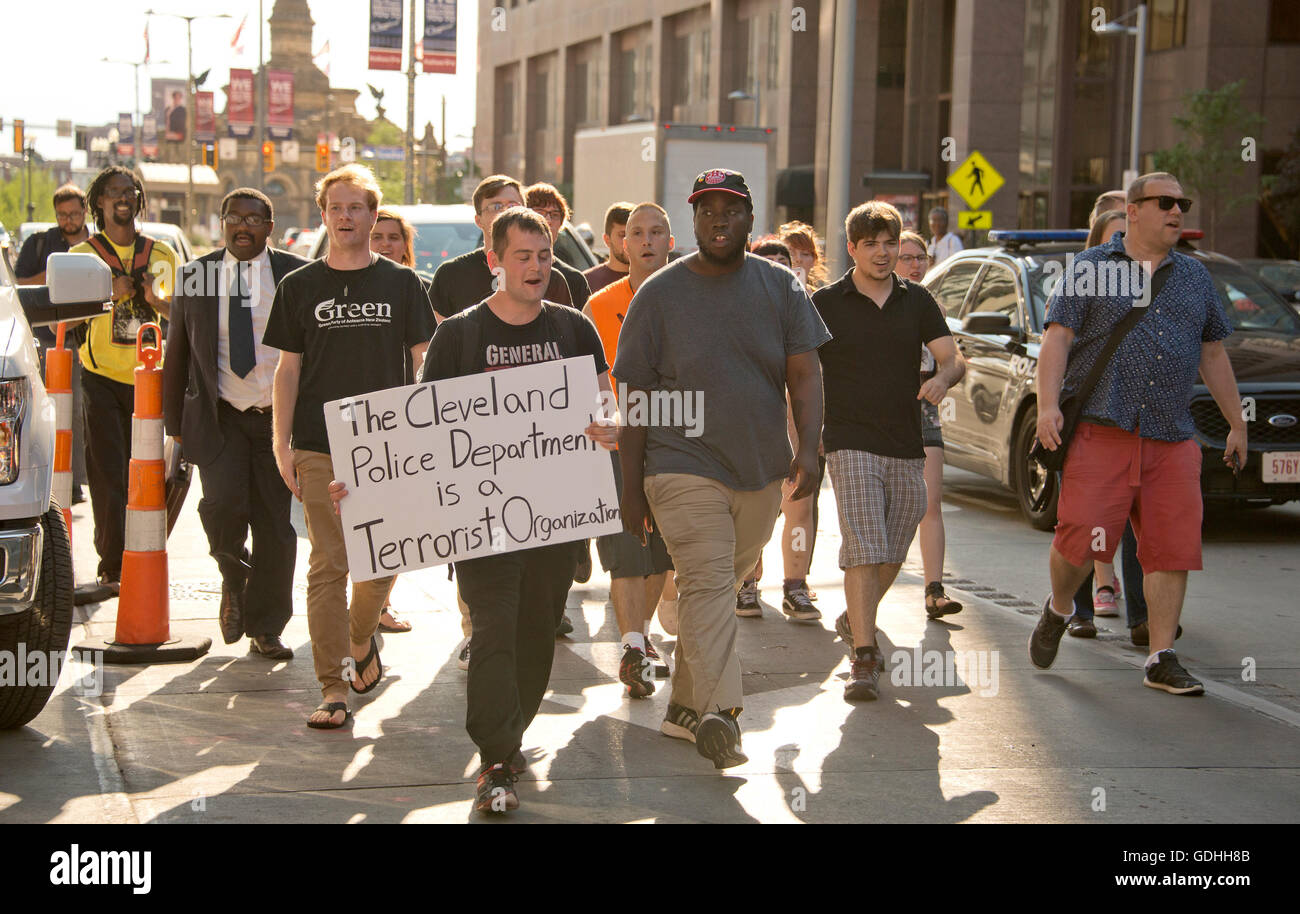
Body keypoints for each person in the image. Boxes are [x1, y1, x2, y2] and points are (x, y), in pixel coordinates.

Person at [355, 206, 616, 813]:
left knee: (535, 636)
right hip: (483, 526)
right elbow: (422, 432)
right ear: (494, 261)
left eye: (545, 255)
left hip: (558, 519)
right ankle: (495, 758)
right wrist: (368, 483)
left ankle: (511, 732)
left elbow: (606, 400)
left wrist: (610, 425)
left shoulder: (576, 328)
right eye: (522, 256)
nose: (536, 267)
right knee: (495, 630)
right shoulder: (461, 334)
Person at [613, 168, 830, 768]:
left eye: (728, 210)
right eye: (705, 211)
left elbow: (807, 373)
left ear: (748, 218)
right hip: (679, 465)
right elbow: (632, 394)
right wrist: (630, 487)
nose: (717, 220)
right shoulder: (659, 293)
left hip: (760, 470)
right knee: (708, 584)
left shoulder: (781, 288)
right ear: (694, 220)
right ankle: (723, 717)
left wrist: (808, 449)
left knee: (716, 591)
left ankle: (685, 710)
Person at [1031, 172, 1245, 695]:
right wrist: (1046, 406)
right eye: (1165, 203)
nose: (1177, 212)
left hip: (1172, 438)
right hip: (1102, 431)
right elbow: (1058, 339)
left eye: (1182, 204)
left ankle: (1160, 655)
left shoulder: (1194, 278)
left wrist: (1237, 421)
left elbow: (1212, 353)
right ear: (1133, 211)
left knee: (1172, 549)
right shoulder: (1091, 268)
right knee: (1079, 542)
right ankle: (1060, 606)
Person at [262, 164, 433, 728]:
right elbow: (288, 371)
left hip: (389, 444)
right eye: (334, 207)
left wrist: (431, 430)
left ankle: (360, 638)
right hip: (318, 443)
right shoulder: (300, 286)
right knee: (329, 564)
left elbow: (422, 362)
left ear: (372, 214)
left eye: (355, 207)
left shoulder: (402, 285)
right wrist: (281, 444)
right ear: (323, 215)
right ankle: (333, 686)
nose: (344, 216)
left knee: (386, 559)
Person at [815, 202, 964, 702]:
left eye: (889, 243)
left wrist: (942, 379)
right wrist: (801, 433)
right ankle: (863, 654)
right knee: (863, 540)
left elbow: (951, 358)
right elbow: (799, 368)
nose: (882, 253)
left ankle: (855, 615)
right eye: (871, 244)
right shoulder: (826, 303)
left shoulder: (917, 300)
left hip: (905, 439)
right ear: (852, 249)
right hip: (847, 437)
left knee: (897, 541)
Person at [163, 188, 306, 659]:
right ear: (222, 222)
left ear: (269, 226)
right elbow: (178, 353)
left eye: (254, 219)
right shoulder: (197, 276)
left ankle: (266, 627)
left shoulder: (293, 274)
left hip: (277, 424)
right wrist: (174, 426)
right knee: (221, 509)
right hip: (220, 420)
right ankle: (233, 574)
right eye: (233, 218)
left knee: (276, 529)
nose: (242, 226)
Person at [72, 166, 179, 595]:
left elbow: (182, 319)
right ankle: (112, 564)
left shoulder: (163, 254)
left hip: (151, 379)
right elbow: (65, 319)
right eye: (113, 192)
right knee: (108, 475)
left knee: (153, 476)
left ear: (139, 199)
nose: (122, 198)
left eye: (129, 191)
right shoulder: (82, 257)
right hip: (100, 377)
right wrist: (107, 294)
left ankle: (148, 553)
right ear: (98, 201)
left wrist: (158, 299)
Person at [584, 202, 676, 699]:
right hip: (616, 449)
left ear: (670, 240)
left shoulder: (694, 298)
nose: (645, 240)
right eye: (636, 232)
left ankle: (639, 639)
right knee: (625, 552)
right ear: (622, 244)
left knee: (661, 555)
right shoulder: (597, 305)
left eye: (655, 231)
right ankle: (634, 644)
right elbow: (583, 376)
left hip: (676, 447)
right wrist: (607, 421)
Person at [735, 235, 822, 623]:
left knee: (799, 509)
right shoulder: (738, 312)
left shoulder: (805, 311)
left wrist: (814, 431)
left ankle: (795, 586)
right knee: (755, 515)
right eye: (768, 264)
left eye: (784, 265)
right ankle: (747, 582)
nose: (778, 272)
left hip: (794, 425)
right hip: (750, 429)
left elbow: (816, 376)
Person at [526, 182, 596, 588]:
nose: (545, 220)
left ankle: (573, 549)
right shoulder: (469, 323)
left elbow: (588, 368)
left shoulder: (571, 286)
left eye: (553, 214)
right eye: (537, 212)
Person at [896, 230, 962, 619]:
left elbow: (955, 358)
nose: (915, 264)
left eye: (920, 257)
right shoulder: (876, 301)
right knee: (887, 509)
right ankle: (865, 592)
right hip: (878, 412)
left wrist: (942, 378)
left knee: (929, 502)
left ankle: (934, 589)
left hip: (922, 408)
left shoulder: (929, 304)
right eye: (907, 257)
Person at [16, 183, 90, 505]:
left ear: (85, 211)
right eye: (62, 215)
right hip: (51, 341)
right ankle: (57, 479)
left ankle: (77, 478)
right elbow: (19, 282)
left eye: (74, 214)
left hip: (90, 342)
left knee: (82, 414)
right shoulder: (40, 244)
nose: (68, 220)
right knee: (52, 411)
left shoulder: (97, 246)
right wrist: (49, 275)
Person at [428, 175, 573, 322]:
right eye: (496, 206)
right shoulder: (451, 275)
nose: (504, 211)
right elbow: (436, 335)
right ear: (479, 220)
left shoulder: (548, 278)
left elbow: (567, 334)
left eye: (513, 206)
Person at [583, 202, 634, 293]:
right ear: (607, 240)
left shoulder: (651, 280)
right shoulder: (586, 281)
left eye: (635, 234)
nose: (628, 241)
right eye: (622, 235)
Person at [779, 220, 828, 290]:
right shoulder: (768, 295)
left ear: (814, 260)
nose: (798, 259)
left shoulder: (819, 298)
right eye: (791, 253)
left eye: (805, 254)